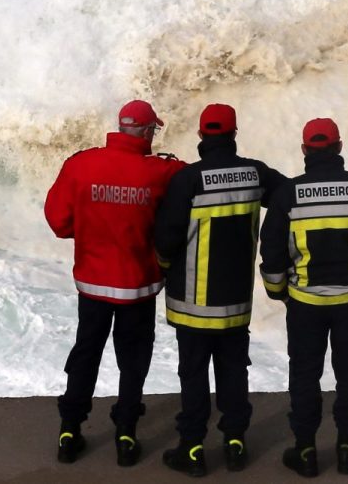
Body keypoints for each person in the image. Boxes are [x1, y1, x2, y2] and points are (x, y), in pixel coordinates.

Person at [258, 117, 348, 478]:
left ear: (305, 150)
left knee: (305, 375)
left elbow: (271, 250)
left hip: (304, 303)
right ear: (339, 147)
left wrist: (278, 293)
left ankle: (305, 449)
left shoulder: (287, 194)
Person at [46, 99, 187, 466]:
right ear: (144, 131)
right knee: (133, 362)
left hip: (92, 284)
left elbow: (59, 222)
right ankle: (126, 435)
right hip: (137, 288)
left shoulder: (81, 164)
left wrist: (89, 230)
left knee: (85, 356)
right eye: (153, 130)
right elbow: (194, 182)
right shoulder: (161, 173)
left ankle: (69, 432)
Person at [152, 103, 286, 476]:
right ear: (234, 134)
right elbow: (291, 198)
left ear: (201, 136)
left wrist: (165, 268)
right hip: (235, 303)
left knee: (193, 375)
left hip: (192, 304)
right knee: (233, 371)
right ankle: (235, 442)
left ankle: (192, 448)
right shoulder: (255, 173)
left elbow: (166, 238)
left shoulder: (188, 180)